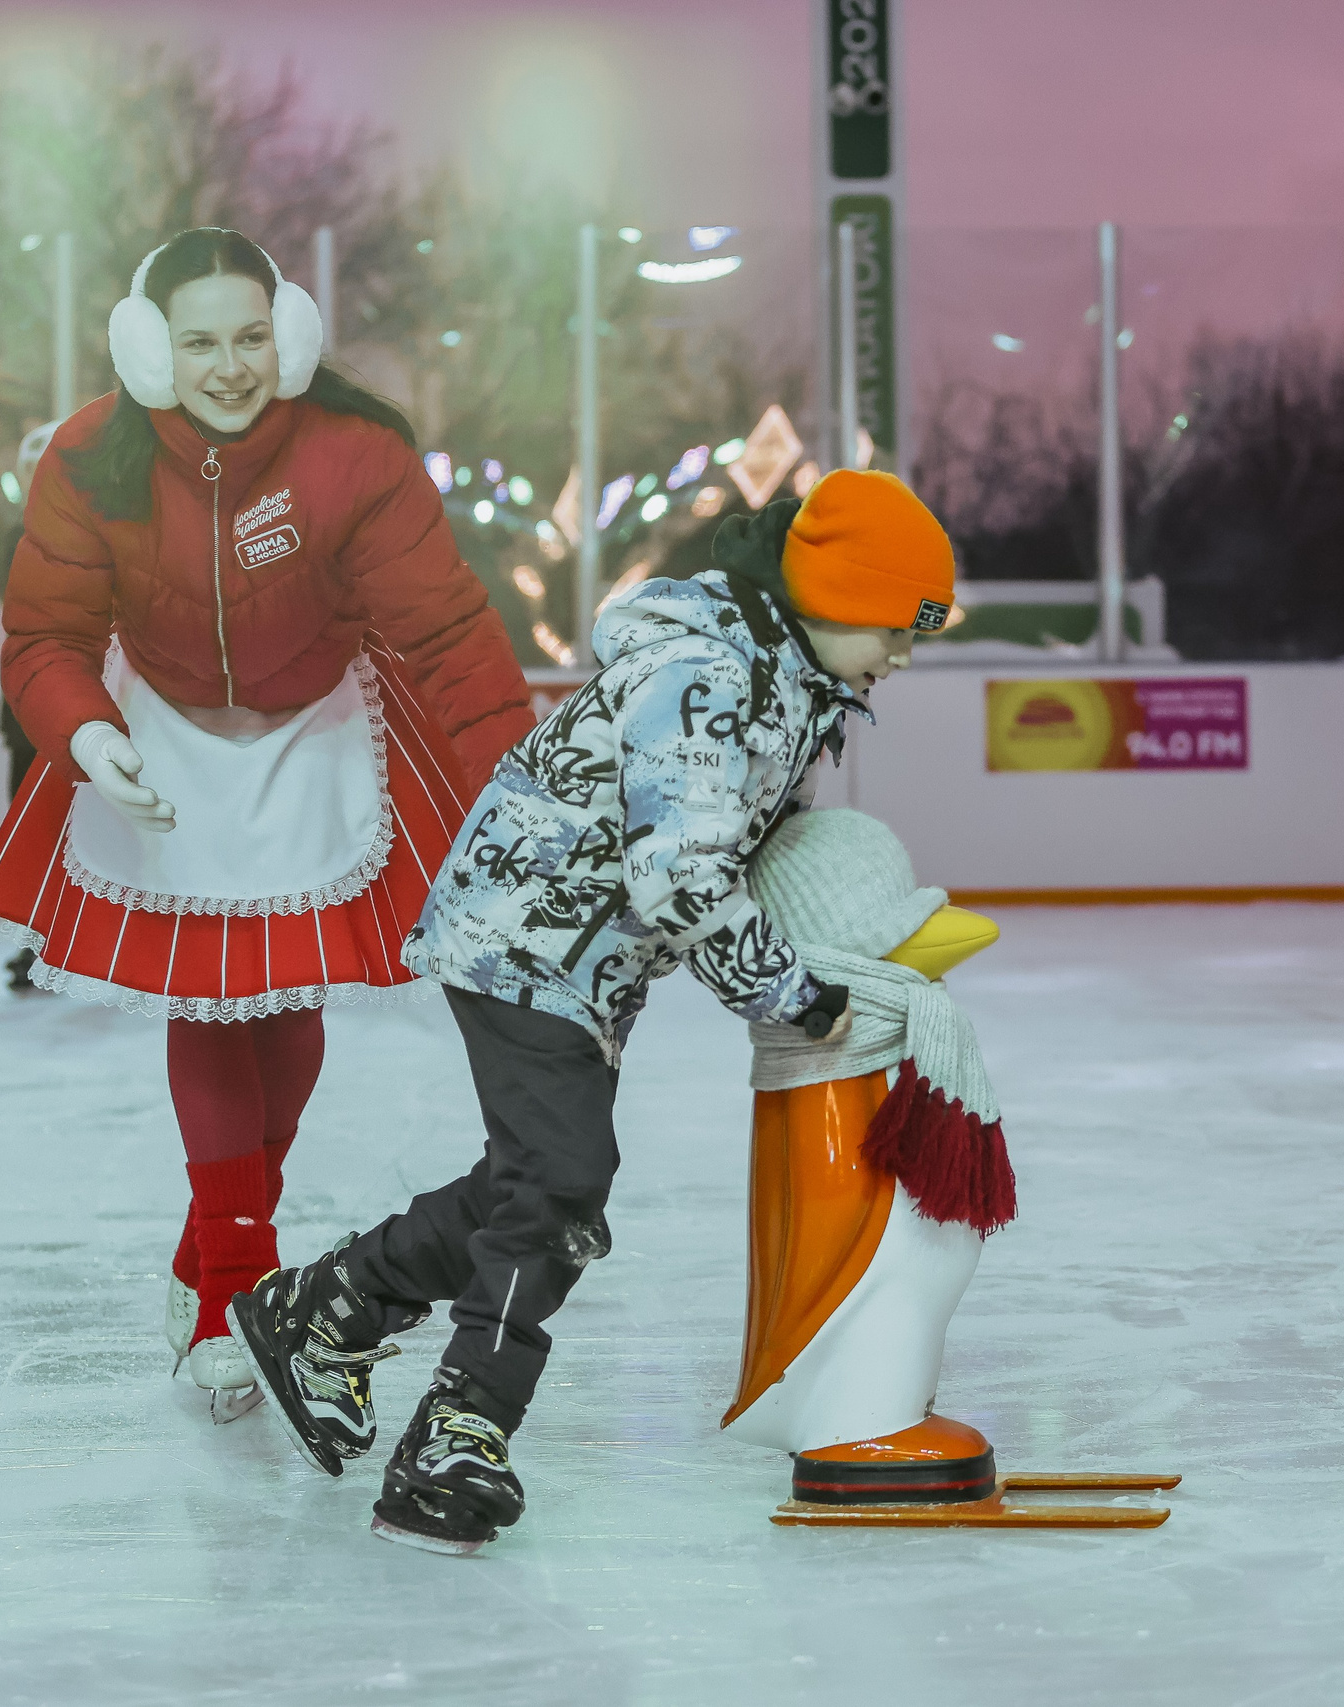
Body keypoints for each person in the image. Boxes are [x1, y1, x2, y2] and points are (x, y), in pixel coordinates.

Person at [229, 469, 959, 1554]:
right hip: (526, 941)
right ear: (836, 599)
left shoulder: (790, 685)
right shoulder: (710, 676)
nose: (902, 658)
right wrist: (792, 998)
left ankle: (326, 1308)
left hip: (580, 961)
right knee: (563, 1183)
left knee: (528, 1183)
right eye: (899, 628)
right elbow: (681, 873)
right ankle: (459, 1430)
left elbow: (728, 868)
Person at [0, 227, 532, 1419]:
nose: (231, 367)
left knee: (283, 996)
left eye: (253, 338)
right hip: (157, 731)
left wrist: (517, 790)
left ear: (292, 335)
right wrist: (83, 730)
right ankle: (232, 1290)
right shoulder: (91, 456)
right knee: (209, 997)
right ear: (152, 350)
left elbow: (447, 635)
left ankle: (205, 1251)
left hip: (317, 723)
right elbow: (44, 636)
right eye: (202, 341)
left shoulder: (351, 452)